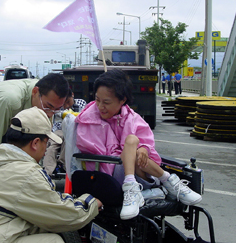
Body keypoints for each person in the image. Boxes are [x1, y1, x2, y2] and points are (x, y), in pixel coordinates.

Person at [0, 107, 102, 243]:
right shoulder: (27, 173)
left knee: (32, 223)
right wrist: (92, 202)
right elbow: (66, 215)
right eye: (47, 143)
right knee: (52, 240)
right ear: (36, 143)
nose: (46, 151)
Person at [75, 69, 202, 220]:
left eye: (106, 102)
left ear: (122, 100)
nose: (100, 106)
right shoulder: (89, 119)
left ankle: (137, 188)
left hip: (139, 173)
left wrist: (143, 149)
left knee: (134, 143)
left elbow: (147, 143)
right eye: (97, 100)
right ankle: (169, 182)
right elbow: (93, 151)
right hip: (108, 171)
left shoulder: (132, 118)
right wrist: (133, 150)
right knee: (132, 142)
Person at [0, 73, 69, 183]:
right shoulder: (10, 101)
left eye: (57, 109)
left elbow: (38, 145)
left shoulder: (47, 103)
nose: (50, 114)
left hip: (7, 124)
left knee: (11, 175)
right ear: (35, 92)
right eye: (48, 107)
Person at [43, 90, 87, 176]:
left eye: (68, 102)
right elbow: (57, 121)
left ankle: (62, 164)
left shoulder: (81, 103)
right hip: (60, 130)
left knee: (69, 142)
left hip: (74, 130)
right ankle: (48, 171)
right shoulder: (58, 105)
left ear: (73, 95)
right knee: (52, 145)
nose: (66, 106)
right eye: (64, 103)